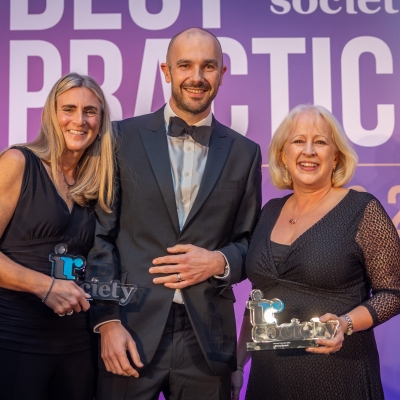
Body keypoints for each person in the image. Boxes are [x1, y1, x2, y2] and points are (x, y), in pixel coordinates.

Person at [86, 27, 262, 400]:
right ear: (166, 71)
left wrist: (218, 261)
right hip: (129, 329)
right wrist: (107, 320)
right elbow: (101, 237)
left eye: (208, 66)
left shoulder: (245, 153)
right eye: (185, 65)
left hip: (208, 340)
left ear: (222, 74)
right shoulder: (119, 138)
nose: (197, 77)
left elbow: (251, 243)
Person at [231, 104, 400, 400]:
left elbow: (394, 292)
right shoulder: (269, 212)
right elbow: (258, 296)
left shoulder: (362, 209)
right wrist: (238, 363)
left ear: (335, 156)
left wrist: (345, 324)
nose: (308, 151)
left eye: (320, 142)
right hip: (268, 380)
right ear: (283, 155)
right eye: (298, 141)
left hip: (339, 376)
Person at [0, 72, 116, 400]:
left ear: (101, 122)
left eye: (90, 111)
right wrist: (44, 286)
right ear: (51, 115)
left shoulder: (97, 182)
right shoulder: (18, 162)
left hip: (78, 347)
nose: (79, 120)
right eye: (68, 109)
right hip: (14, 339)